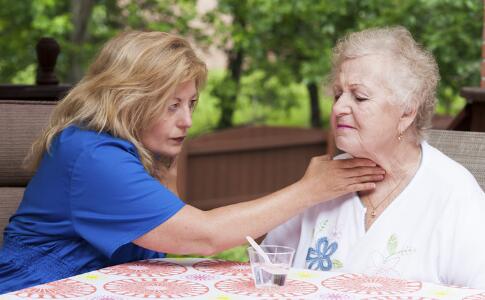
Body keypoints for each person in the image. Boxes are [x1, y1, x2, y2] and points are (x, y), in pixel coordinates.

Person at [0, 30, 385, 294]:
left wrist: (167, 160)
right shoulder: (93, 157)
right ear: (129, 99)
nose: (187, 120)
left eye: (191, 104)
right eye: (172, 105)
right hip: (35, 288)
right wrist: (311, 189)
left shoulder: (127, 147)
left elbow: (169, 232)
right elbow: (202, 235)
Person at [264, 26, 485, 289]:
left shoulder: (454, 193)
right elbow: (268, 266)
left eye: (359, 97)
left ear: (407, 112)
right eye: (337, 94)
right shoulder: (321, 181)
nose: (338, 107)